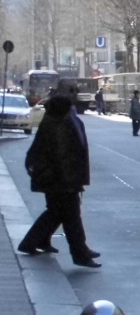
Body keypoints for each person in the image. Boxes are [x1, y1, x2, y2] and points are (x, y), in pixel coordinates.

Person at [16, 82, 101, 267]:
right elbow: (63, 156)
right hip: (60, 180)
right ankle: (80, 253)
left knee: (56, 213)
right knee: (71, 216)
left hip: (56, 178)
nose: (75, 95)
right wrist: (71, 182)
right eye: (72, 92)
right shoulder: (60, 123)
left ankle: (35, 242)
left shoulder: (58, 118)